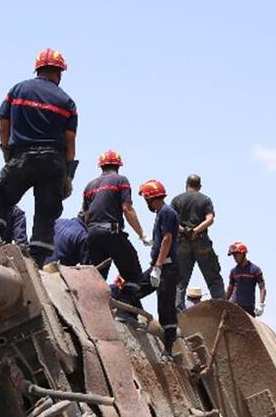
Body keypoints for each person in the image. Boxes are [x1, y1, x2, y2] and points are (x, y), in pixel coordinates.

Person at [0, 48, 78, 266]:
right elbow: (70, 143)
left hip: (22, 155)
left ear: (37, 69)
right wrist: (68, 175)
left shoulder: (18, 90)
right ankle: (36, 261)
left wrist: (7, 153)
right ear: (60, 73)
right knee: (46, 212)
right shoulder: (67, 101)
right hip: (53, 161)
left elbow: (3, 125)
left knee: (3, 198)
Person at [83, 150, 150, 308]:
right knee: (133, 273)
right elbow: (127, 209)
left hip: (92, 233)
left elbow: (86, 216)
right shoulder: (120, 180)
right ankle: (125, 313)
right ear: (118, 166)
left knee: (97, 277)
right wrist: (142, 235)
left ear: (101, 166)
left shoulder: (89, 186)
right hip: (111, 232)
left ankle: (92, 309)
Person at [137, 179, 180, 359]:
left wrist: (158, 266)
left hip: (166, 268)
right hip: (160, 266)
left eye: (146, 199)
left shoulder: (167, 212)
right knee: (133, 289)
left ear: (150, 198)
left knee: (166, 308)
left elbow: (167, 239)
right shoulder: (162, 212)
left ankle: (168, 351)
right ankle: (134, 321)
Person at [171, 174, 225, 310]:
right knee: (213, 279)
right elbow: (210, 219)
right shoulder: (205, 199)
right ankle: (220, 311)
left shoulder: (177, 200)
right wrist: (196, 231)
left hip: (182, 242)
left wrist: (185, 231)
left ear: (186, 185)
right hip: (201, 242)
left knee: (180, 282)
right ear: (199, 186)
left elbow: (171, 221)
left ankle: (178, 315)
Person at [225, 242, 266, 317]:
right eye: (233, 255)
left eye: (236, 255)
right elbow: (230, 289)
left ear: (243, 254)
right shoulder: (233, 271)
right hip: (234, 306)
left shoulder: (255, 270)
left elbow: (262, 288)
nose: (234, 258)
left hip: (248, 308)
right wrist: (223, 302)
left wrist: (261, 304)